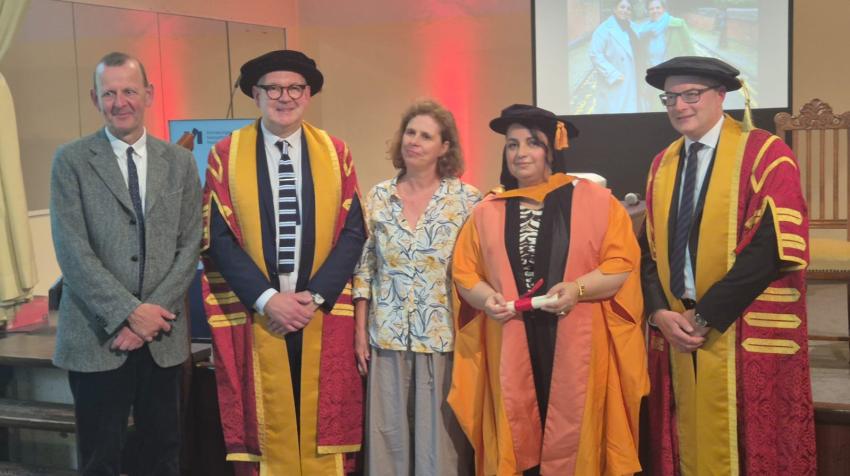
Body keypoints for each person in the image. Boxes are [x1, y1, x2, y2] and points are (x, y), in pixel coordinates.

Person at [449, 104, 649, 475]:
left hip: (576, 334)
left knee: (574, 433)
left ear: (551, 150)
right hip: (510, 335)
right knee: (518, 431)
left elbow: (621, 264)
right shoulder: (486, 211)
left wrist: (577, 288)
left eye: (532, 143)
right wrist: (485, 299)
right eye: (512, 145)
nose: (520, 153)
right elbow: (465, 272)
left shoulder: (595, 200)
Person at [641, 56, 816, 475]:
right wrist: (658, 313)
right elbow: (648, 251)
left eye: (691, 95)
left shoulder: (764, 153)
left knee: (751, 448)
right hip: (679, 325)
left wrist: (706, 315)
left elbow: (771, 249)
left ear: (721, 96)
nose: (679, 106)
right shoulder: (662, 164)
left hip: (738, 324)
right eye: (671, 97)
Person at [201, 49, 366, 475]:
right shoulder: (226, 154)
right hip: (261, 313)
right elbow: (218, 238)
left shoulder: (335, 152)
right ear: (255, 94)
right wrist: (267, 298)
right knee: (265, 422)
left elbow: (353, 232)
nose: (284, 96)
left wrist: (312, 296)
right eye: (273, 87)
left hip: (318, 311)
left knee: (320, 420)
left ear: (308, 94)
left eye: (295, 87)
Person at [50, 51, 202, 475]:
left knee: (163, 455)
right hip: (98, 338)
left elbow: (190, 244)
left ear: (148, 94)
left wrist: (151, 318)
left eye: (129, 91)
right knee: (101, 459)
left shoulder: (181, 162)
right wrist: (129, 315)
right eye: (109, 93)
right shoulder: (71, 162)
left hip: (163, 338)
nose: (120, 102)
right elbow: (72, 251)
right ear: (95, 100)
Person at [352, 100, 480, 475]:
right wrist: (360, 331)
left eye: (426, 136)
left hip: (442, 338)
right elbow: (365, 268)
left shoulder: (467, 200)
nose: (415, 141)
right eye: (410, 132)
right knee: (387, 440)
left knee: (438, 447)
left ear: (444, 147)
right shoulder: (378, 197)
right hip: (386, 336)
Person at [589, 0, 640, 113]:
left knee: (632, 112)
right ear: (614, 9)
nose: (625, 10)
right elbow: (595, 54)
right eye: (622, 7)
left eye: (628, 8)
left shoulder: (633, 27)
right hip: (616, 80)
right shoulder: (604, 29)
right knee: (616, 113)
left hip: (633, 77)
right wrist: (613, 74)